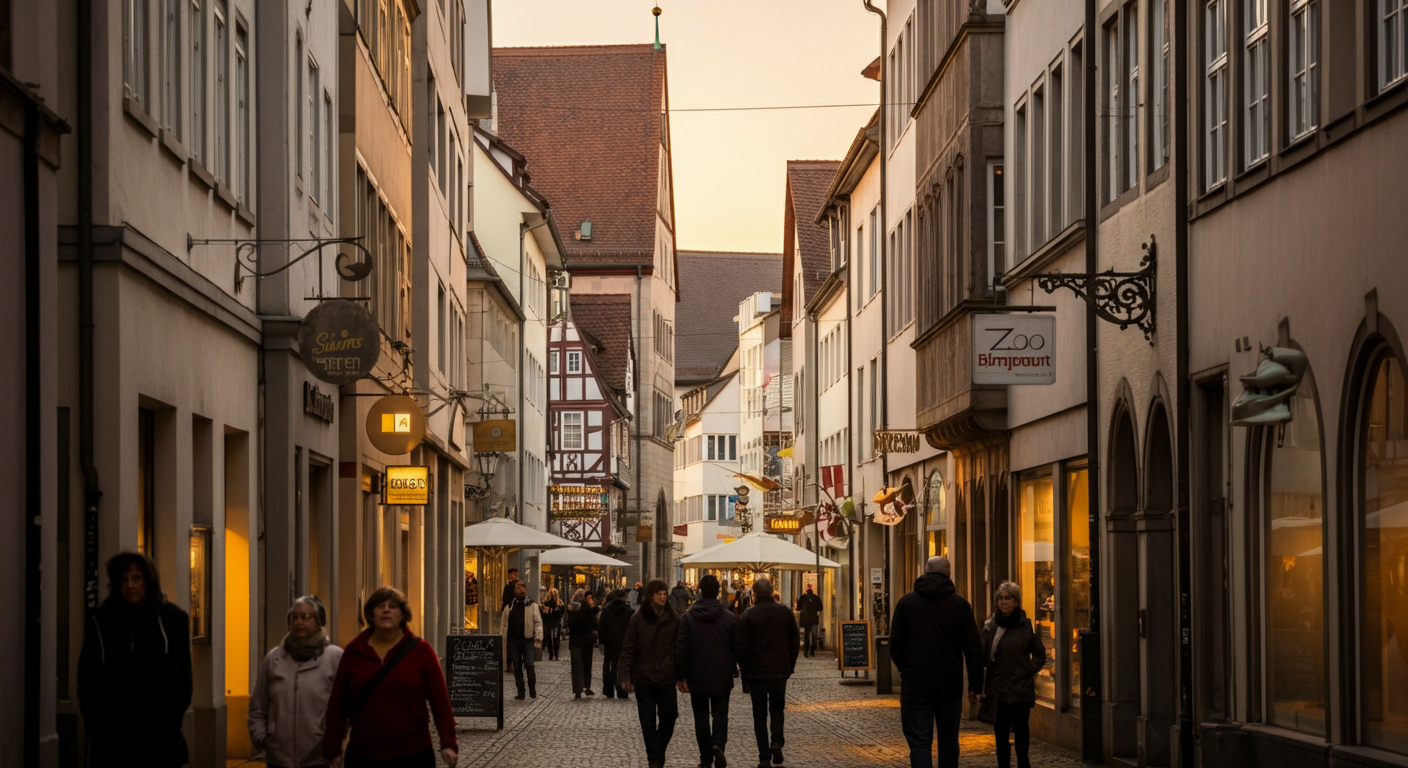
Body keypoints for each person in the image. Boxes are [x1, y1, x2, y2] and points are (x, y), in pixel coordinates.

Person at [78, 552, 193, 767]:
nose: (130, 585)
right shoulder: (102, 624)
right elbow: (88, 682)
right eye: (124, 580)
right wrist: (101, 726)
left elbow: (182, 683)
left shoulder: (172, 620)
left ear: (148, 581)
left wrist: (161, 723)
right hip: (112, 745)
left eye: (136, 578)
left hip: (160, 744)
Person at [323, 587, 458, 768]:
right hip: (363, 754)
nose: (386, 610)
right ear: (370, 614)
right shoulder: (354, 651)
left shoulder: (421, 651)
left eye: (392, 606)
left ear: (403, 614)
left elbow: (440, 701)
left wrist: (448, 742)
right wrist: (333, 748)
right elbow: (338, 704)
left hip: (413, 753)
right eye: (380, 606)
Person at [889, 556, 984, 768]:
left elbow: (895, 645)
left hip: (916, 685)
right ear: (948, 574)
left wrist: (907, 669)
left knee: (920, 743)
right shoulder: (960, 605)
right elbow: (973, 648)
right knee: (948, 742)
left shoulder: (907, 603)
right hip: (949, 686)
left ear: (925, 571)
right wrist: (976, 685)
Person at [249, 596, 342, 768]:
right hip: (279, 758)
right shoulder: (274, 659)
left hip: (319, 758)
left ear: (319, 622)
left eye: (306, 617)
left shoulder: (334, 658)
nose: (299, 622)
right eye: (294, 617)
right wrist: (263, 739)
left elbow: (344, 708)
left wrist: (335, 744)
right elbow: (258, 706)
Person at [979, 581, 1046, 768]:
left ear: (1016, 601)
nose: (1003, 602)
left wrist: (1028, 669)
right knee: (1000, 734)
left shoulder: (1025, 625)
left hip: (1020, 689)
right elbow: (981, 655)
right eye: (1000, 598)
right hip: (998, 689)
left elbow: (1040, 653)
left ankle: (1023, 764)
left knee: (1021, 731)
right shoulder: (991, 625)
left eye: (1007, 598)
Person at [735, 577, 799, 768]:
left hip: (756, 673)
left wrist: (745, 670)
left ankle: (764, 756)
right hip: (779, 671)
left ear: (754, 594)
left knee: (759, 715)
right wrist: (790, 665)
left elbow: (741, 647)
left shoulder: (749, 615)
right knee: (777, 709)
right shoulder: (785, 612)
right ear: (772, 592)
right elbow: (794, 642)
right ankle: (777, 741)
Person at [675, 574, 737, 768]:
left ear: (700, 591)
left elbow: (681, 647)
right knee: (720, 713)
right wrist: (733, 667)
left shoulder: (689, 617)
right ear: (718, 591)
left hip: (697, 674)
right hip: (721, 673)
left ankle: (705, 757)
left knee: (701, 716)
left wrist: (680, 675)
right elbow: (736, 646)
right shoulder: (728, 617)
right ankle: (718, 743)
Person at [619, 579, 681, 768]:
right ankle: (654, 758)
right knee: (647, 721)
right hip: (643, 676)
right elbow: (628, 649)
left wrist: (682, 672)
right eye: (659, 593)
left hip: (666, 676)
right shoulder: (637, 618)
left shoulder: (674, 619)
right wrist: (624, 676)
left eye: (664, 593)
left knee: (669, 716)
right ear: (650, 596)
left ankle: (658, 751)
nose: (663, 597)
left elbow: (680, 648)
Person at [500, 580, 544, 700]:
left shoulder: (532, 605)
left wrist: (538, 637)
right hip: (514, 641)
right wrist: (503, 640)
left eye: (523, 588)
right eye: (518, 588)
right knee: (517, 667)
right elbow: (503, 625)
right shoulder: (509, 607)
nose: (521, 590)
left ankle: (532, 689)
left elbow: (538, 622)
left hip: (527, 640)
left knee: (530, 665)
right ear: (514, 591)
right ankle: (521, 691)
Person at [598, 588, 635, 699]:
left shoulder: (607, 609)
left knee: (609, 665)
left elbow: (602, 627)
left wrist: (602, 641)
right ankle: (622, 689)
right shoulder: (629, 611)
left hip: (610, 643)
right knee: (623, 666)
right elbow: (632, 628)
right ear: (624, 597)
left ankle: (608, 689)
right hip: (624, 643)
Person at [566, 588, 600, 698]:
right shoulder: (586, 608)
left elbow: (569, 624)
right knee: (586, 664)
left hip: (575, 640)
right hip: (586, 640)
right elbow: (592, 619)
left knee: (576, 666)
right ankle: (587, 686)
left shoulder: (570, 608)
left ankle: (577, 689)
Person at [794, 586, 823, 658]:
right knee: (814, 636)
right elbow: (820, 607)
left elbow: (799, 608)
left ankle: (806, 651)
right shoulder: (816, 598)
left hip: (806, 619)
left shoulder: (803, 598)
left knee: (806, 636)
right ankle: (812, 651)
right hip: (814, 619)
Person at [540, 587, 565, 661]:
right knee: (551, 638)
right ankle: (553, 654)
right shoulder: (547, 603)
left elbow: (561, 613)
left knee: (553, 638)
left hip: (554, 622)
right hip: (551, 622)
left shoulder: (559, 604)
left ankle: (554, 654)